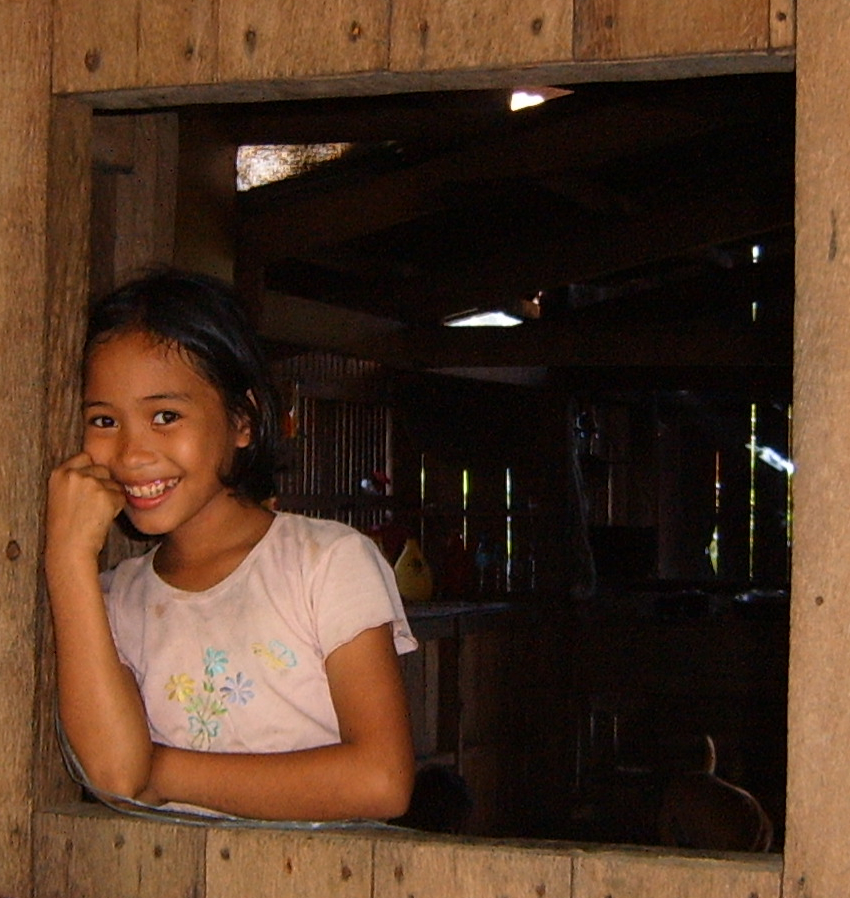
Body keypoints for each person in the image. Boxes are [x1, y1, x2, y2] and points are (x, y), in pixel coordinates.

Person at [45, 270, 417, 822]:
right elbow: (118, 777)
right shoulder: (112, 602)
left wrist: (162, 771)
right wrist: (68, 557)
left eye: (165, 416)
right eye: (104, 420)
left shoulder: (326, 563)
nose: (130, 453)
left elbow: (381, 781)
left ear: (242, 420)